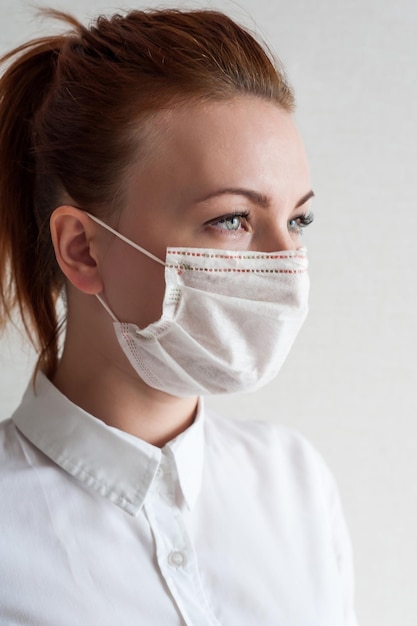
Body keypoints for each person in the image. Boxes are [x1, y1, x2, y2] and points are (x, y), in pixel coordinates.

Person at [0, 7, 358, 625]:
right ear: (83, 249)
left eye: (298, 220)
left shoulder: (296, 482)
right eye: (232, 219)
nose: (287, 262)